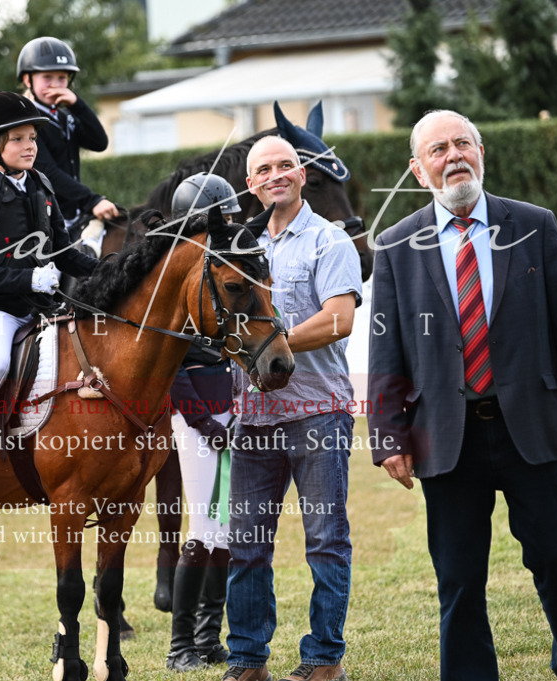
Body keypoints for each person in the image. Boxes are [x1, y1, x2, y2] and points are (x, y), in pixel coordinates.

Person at [367, 110, 557, 681]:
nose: (453, 157)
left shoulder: (535, 225)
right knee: (459, 578)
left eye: (462, 144)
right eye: (438, 150)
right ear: (417, 169)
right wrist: (387, 437)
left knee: (556, 561)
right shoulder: (396, 245)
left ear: (480, 150)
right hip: (446, 436)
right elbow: (386, 353)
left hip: (533, 426)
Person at [223, 136, 361, 681]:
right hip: (252, 418)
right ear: (250, 183)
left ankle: (324, 660)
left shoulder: (329, 240)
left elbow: (339, 319)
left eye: (286, 165)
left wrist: (269, 342)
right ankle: (247, 661)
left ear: (303, 176)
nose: (275, 174)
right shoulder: (238, 247)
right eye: (264, 169)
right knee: (247, 547)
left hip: (318, 413)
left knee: (325, 541)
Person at [0, 91, 99, 494]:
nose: (29, 146)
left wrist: (109, 270)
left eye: (32, 138)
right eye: (18, 140)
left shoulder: (42, 183)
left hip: (41, 304)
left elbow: (62, 248)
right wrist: (26, 280)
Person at [164, 172, 241, 672]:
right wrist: (202, 420)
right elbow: (169, 362)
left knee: (225, 530)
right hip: (195, 420)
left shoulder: (220, 269)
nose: (230, 225)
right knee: (202, 525)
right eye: (221, 218)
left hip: (228, 411)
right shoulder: (180, 277)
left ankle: (210, 636)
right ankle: (179, 645)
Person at [17, 36, 119, 239]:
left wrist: (77, 105)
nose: (56, 85)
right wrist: (93, 200)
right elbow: (48, 173)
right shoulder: (26, 122)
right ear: (28, 80)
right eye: (47, 77)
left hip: (72, 215)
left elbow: (99, 142)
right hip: (38, 221)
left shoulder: (64, 117)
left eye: (62, 78)